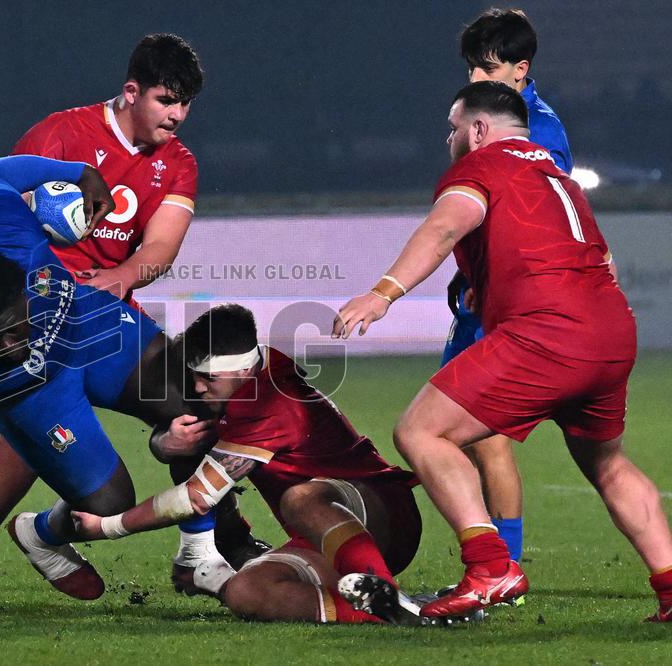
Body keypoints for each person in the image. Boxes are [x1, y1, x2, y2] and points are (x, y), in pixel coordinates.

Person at [0, 33, 264, 618]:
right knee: (24, 463)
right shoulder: (63, 134)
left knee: (194, 402)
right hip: (29, 322)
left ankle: (204, 550)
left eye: (185, 105)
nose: (176, 116)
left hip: (101, 318)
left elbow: (161, 247)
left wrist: (123, 276)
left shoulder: (177, 163)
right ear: (131, 92)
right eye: (166, 100)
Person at [334, 81, 672, 622]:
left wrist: (383, 293)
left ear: (479, 130)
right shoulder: (557, 175)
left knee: (423, 431)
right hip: (612, 330)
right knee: (608, 464)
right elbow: (598, 258)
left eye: (453, 128)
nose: (450, 139)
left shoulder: (482, 166)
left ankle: (491, 566)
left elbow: (445, 227)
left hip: (550, 331)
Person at [0, 154, 236, 625]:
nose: (16, 341)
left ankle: (197, 553)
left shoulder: (13, 235)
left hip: (88, 327)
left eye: (16, 324)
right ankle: (41, 533)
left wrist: (80, 173)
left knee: (203, 400)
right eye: (1, 338)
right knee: (110, 503)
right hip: (34, 394)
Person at [64, 304, 429, 625]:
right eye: (195, 376)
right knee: (246, 592)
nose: (199, 388)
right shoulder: (251, 374)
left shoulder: (270, 406)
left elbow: (194, 497)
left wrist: (108, 526)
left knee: (299, 498)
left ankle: (385, 590)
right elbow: (188, 440)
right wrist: (164, 443)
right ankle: (386, 614)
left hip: (383, 513)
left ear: (239, 370)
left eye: (208, 378)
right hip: (322, 534)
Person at [445, 7, 574, 564]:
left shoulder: (538, 131)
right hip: (478, 299)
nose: (476, 78)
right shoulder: (486, 115)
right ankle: (497, 562)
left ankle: (505, 569)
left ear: (521, 69)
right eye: (472, 66)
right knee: (463, 437)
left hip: (508, 306)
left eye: (488, 68)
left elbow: (536, 220)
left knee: (483, 436)